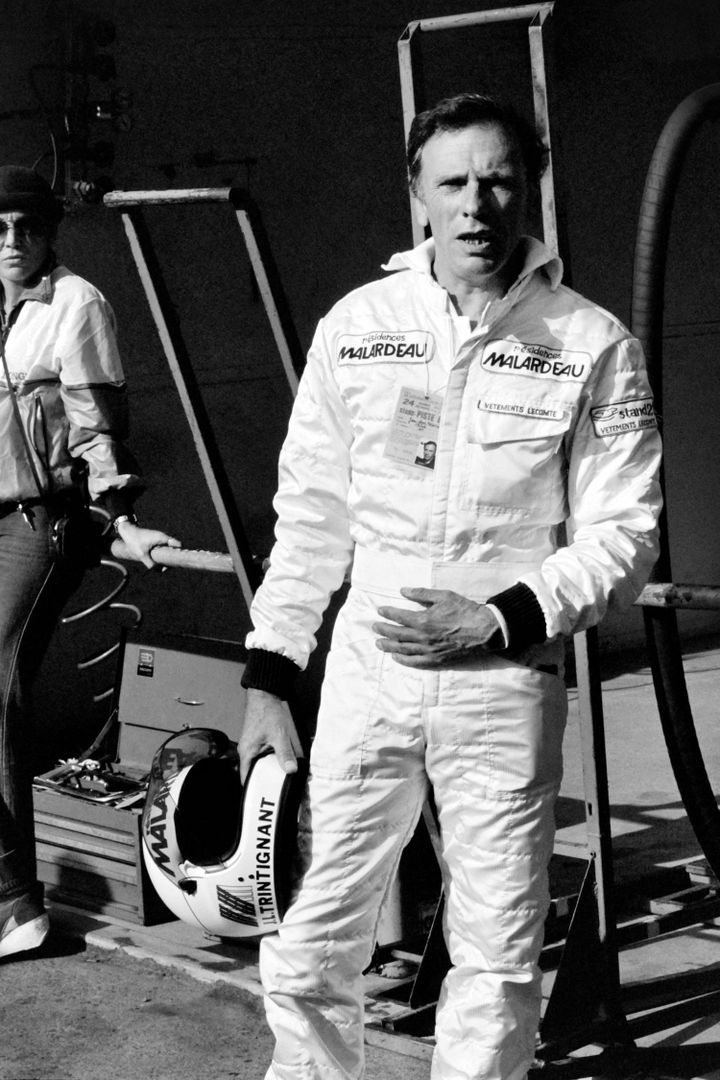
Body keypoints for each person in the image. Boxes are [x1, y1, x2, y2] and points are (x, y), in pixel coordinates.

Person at [237, 93, 662, 1080]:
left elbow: (627, 531)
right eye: (454, 182)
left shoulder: (588, 343)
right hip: (369, 675)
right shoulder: (359, 327)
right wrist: (269, 669)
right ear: (418, 195)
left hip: (503, 680)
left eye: (499, 179)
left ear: (531, 188)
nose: (477, 203)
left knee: (499, 961)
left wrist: (502, 616)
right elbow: (310, 514)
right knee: (312, 947)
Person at [0, 165, 180, 960]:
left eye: (27, 228)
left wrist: (120, 514)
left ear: (51, 232)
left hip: (46, 519)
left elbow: (96, 423)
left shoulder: (77, 304)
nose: (12, 244)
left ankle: (17, 905)